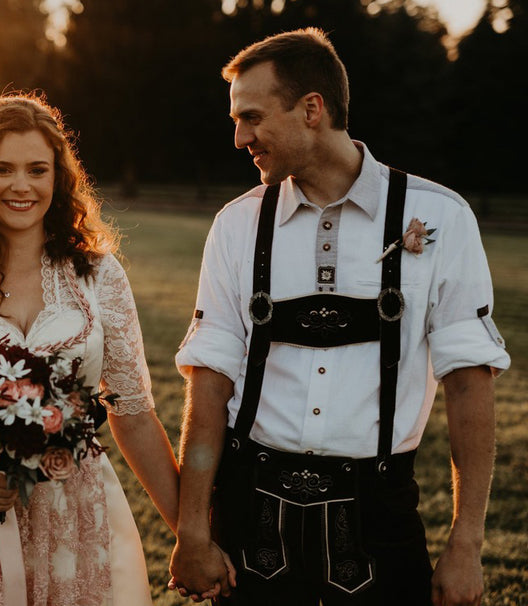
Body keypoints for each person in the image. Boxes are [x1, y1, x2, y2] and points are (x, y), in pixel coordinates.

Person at [168, 28, 510, 606]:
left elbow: (469, 385)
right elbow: (209, 387)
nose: (238, 138)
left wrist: (466, 544)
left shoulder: (439, 216)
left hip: (379, 512)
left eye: (251, 117)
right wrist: (193, 531)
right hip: (253, 515)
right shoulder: (236, 224)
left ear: (311, 109)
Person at [0, 93, 179, 606]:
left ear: (57, 180)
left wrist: (190, 533)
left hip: (75, 508)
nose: (21, 185)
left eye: (37, 170)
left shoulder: (100, 278)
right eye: (3, 169)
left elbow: (132, 412)